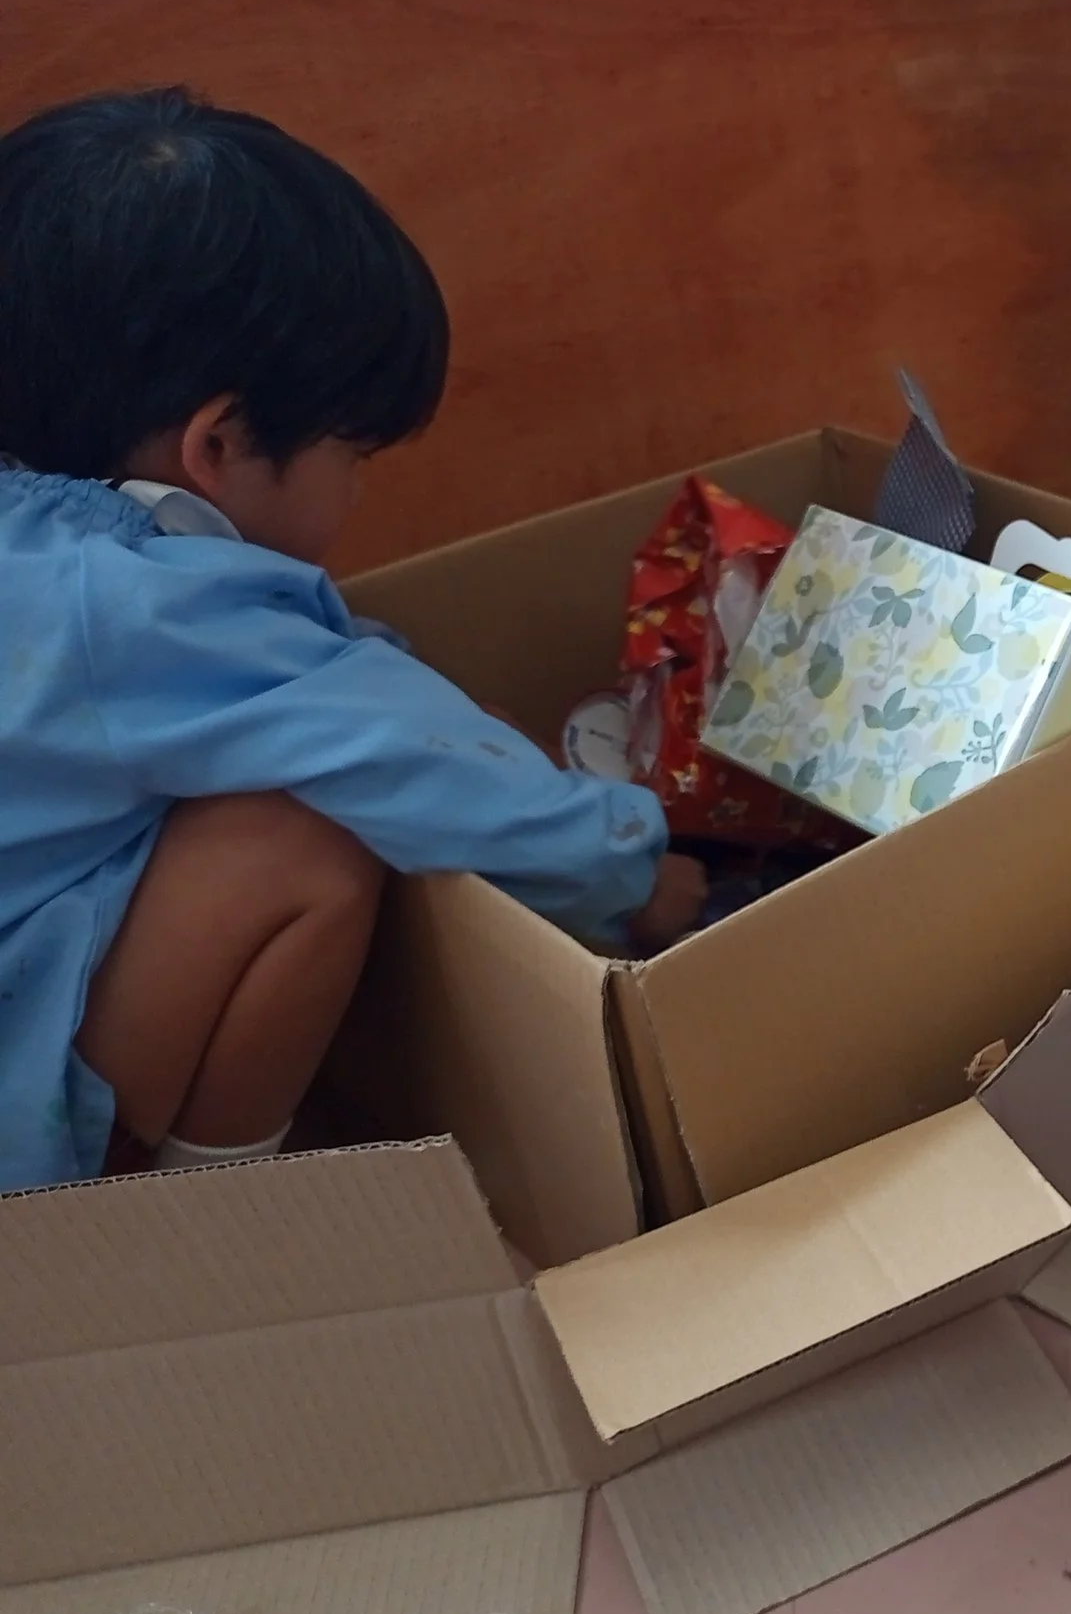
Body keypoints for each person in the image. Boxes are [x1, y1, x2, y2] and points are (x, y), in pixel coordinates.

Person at [0, 88, 706, 1192]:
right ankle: (218, 1220)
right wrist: (637, 872)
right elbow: (397, 751)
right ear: (218, 447)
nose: (360, 489)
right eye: (355, 456)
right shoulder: (133, 601)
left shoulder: (46, 551)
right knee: (310, 836)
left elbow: (308, 672)